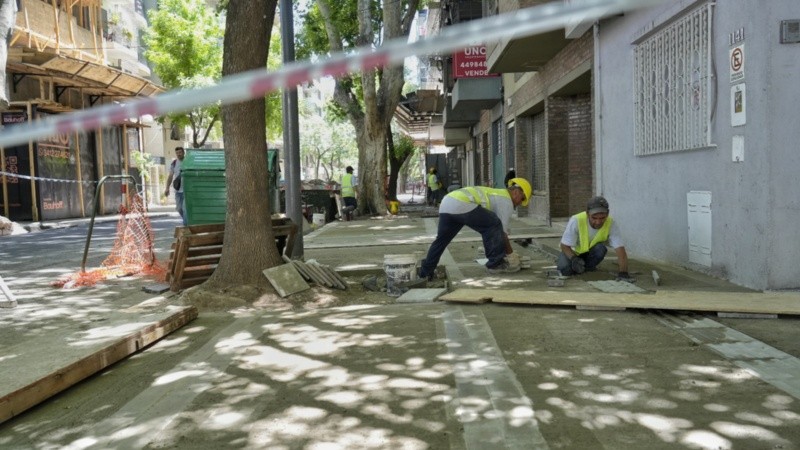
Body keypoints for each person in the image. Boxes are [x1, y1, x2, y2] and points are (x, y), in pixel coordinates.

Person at [417, 177, 533, 280]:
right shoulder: (506, 201)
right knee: (494, 223)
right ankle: (495, 264)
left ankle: (425, 272)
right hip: (462, 204)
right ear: (516, 192)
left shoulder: (498, 193)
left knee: (441, 241)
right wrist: (511, 255)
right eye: (522, 199)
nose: (520, 204)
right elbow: (502, 233)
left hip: (447, 202)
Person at [557, 195, 634, 282]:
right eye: (594, 218)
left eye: (602, 218)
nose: (598, 222)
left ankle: (587, 268)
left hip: (590, 253)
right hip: (572, 252)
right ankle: (578, 266)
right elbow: (564, 246)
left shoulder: (611, 223)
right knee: (564, 270)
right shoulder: (576, 220)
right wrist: (574, 259)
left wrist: (623, 272)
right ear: (587, 213)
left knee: (600, 249)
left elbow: (620, 250)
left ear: (607, 214)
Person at [164, 146, 187, 226]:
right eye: (177, 153)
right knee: (179, 208)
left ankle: (186, 225)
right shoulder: (174, 163)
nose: (178, 154)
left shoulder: (188, 161)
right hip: (178, 191)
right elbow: (170, 176)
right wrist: (167, 188)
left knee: (185, 209)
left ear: (183, 152)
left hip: (186, 190)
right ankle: (186, 222)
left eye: (180, 152)